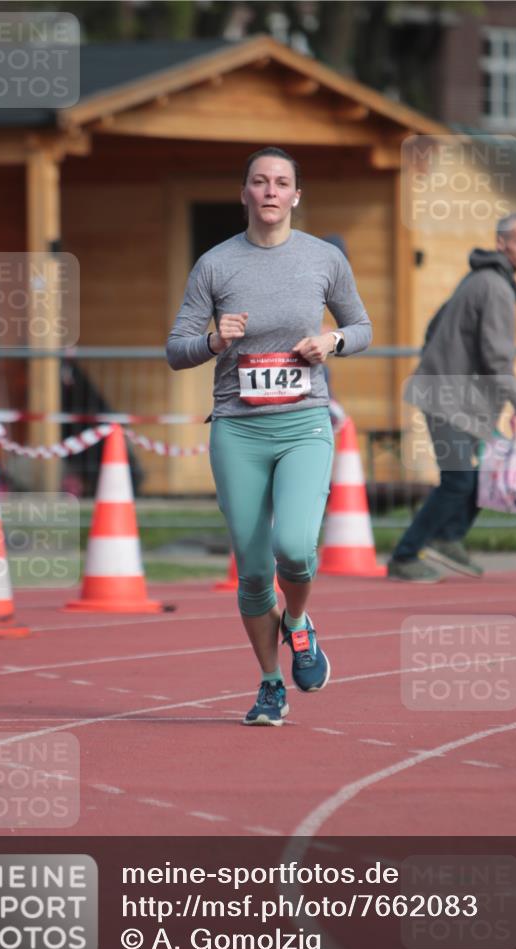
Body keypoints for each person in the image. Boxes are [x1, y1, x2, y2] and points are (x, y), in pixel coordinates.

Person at [167, 147, 372, 726]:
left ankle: (300, 623)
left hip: (304, 421)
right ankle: (268, 683)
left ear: (296, 196)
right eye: (260, 182)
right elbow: (175, 348)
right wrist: (211, 341)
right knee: (255, 569)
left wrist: (332, 343)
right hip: (238, 427)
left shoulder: (323, 259)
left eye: (282, 183)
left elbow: (362, 327)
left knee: (296, 550)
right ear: (245, 193)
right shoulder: (214, 265)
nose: (271, 191)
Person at [387, 213, 516, 583]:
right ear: (501, 244)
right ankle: (405, 557)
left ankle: (448, 538)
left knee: (484, 473)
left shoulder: (479, 279)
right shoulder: (496, 287)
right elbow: (496, 359)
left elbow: (433, 326)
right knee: (458, 480)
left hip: (458, 400)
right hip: (448, 400)